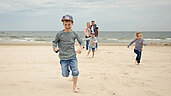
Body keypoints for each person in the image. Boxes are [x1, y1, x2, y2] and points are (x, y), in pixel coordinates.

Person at [52, 15, 84, 92]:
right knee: (65, 74)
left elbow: (82, 42)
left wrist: (80, 48)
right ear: (63, 24)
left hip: (72, 56)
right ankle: (68, 68)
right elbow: (54, 42)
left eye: (69, 24)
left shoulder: (74, 33)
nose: (67, 26)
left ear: (72, 24)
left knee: (75, 71)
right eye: (65, 24)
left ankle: (74, 86)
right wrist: (55, 48)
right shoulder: (60, 34)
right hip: (63, 57)